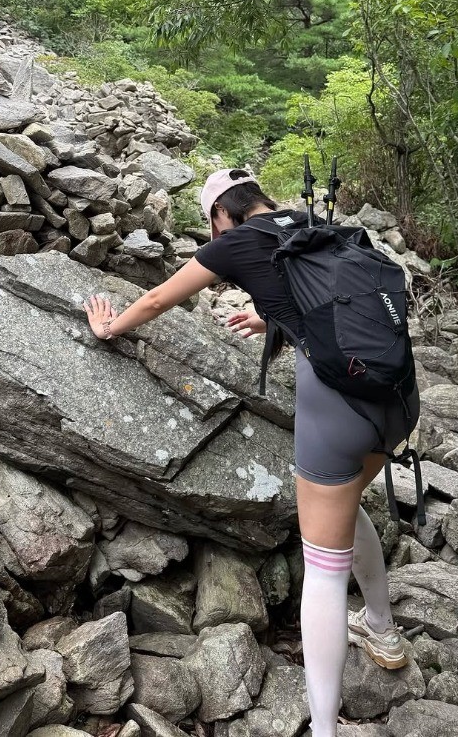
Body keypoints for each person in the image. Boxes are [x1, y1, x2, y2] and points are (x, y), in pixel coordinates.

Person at [83, 167, 421, 737]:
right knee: (347, 504)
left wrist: (110, 329)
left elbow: (163, 295)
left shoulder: (236, 241)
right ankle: (381, 627)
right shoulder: (314, 222)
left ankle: (323, 729)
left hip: (336, 411)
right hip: (397, 399)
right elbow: (332, 299)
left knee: (324, 569)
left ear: (221, 215)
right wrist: (271, 316)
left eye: (212, 227)